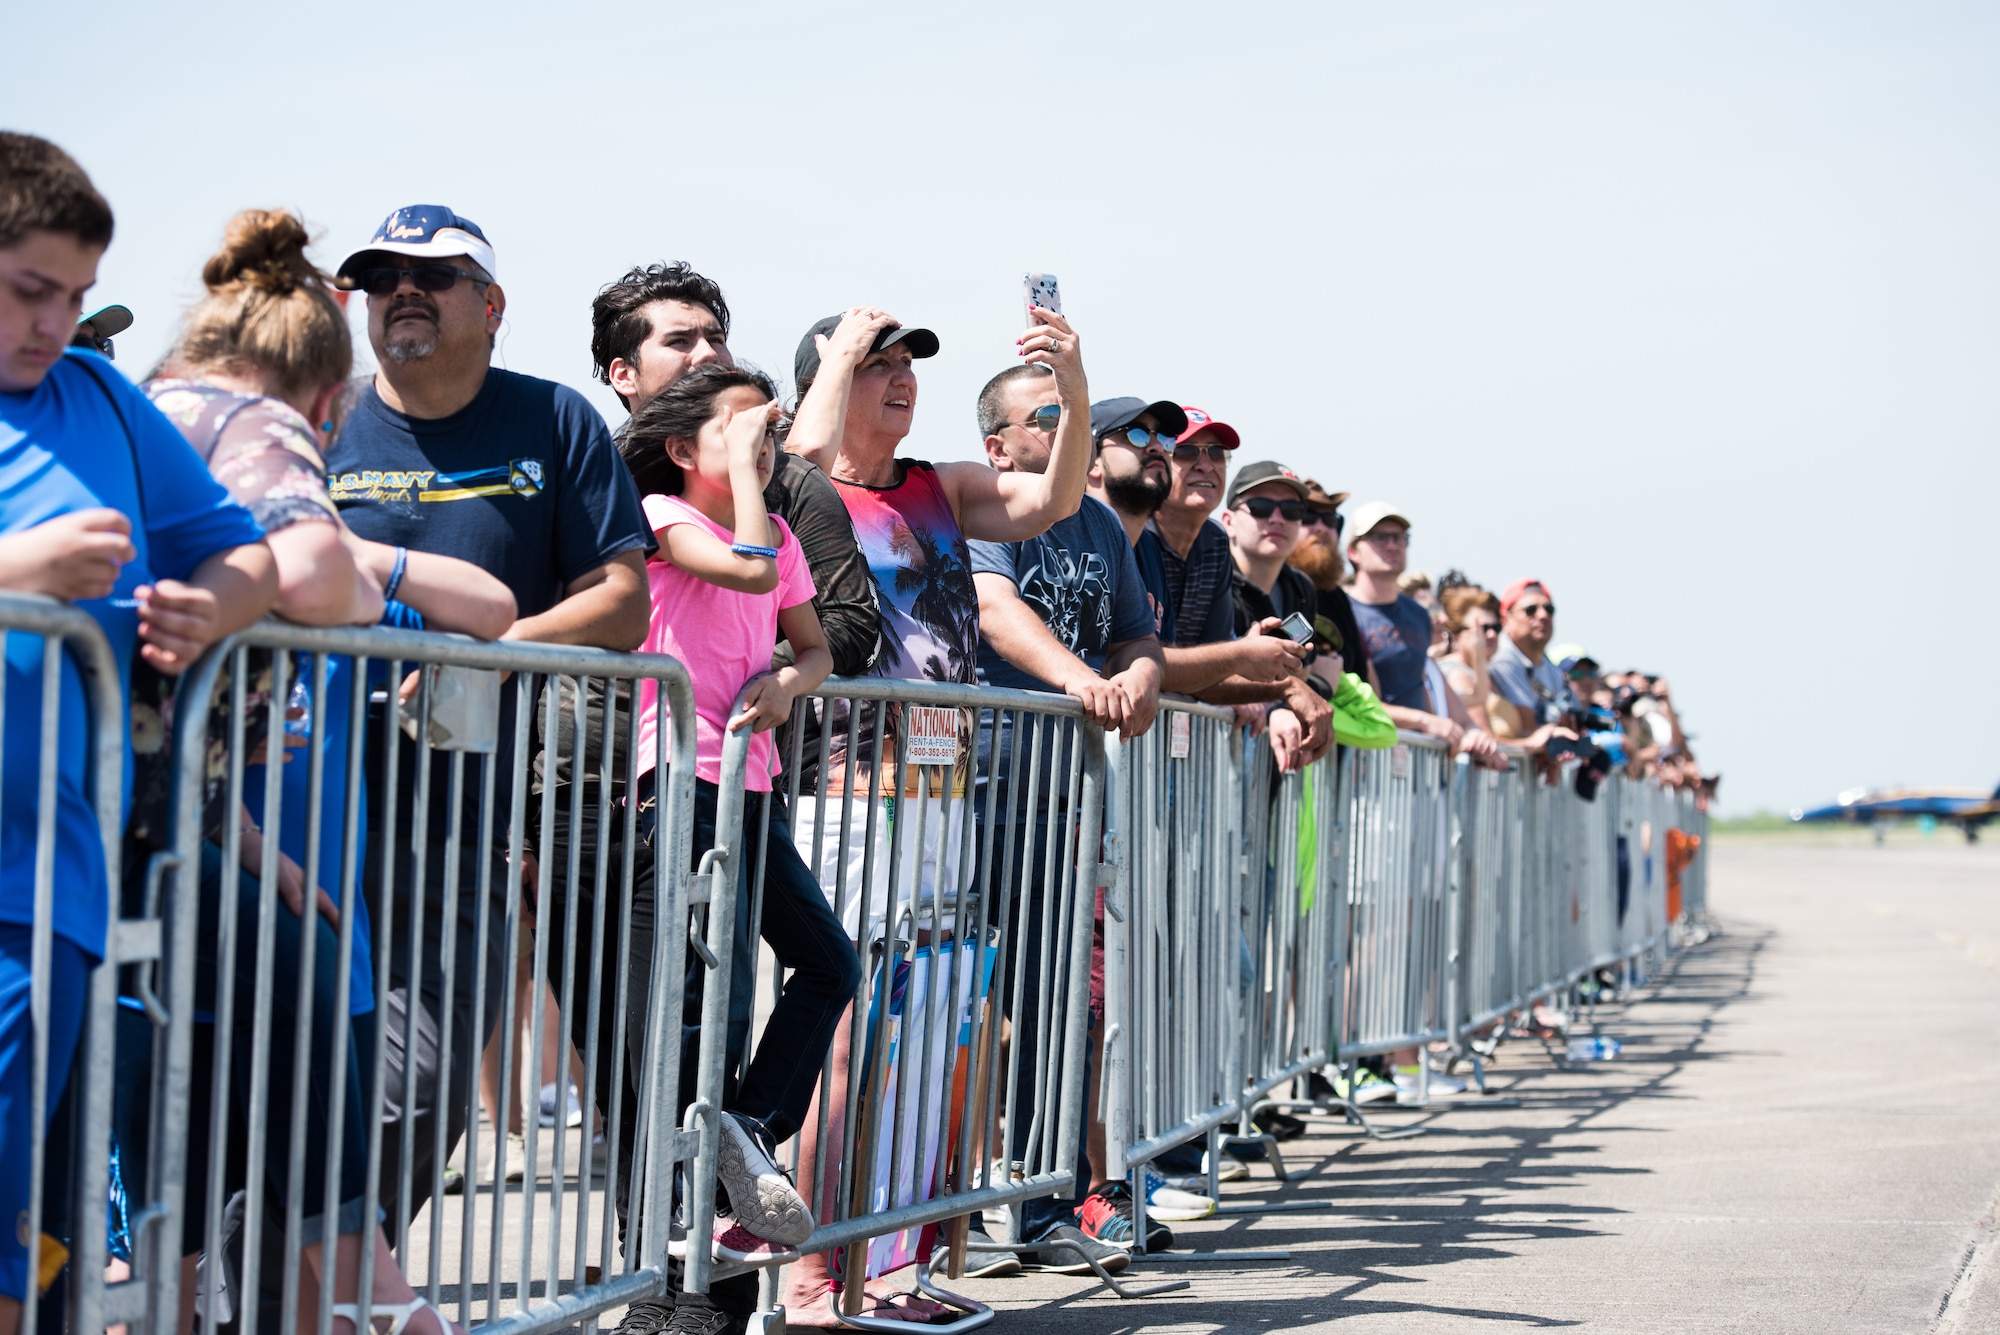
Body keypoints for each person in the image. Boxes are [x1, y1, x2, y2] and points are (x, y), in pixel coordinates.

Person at [136, 206, 514, 1335]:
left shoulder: (305, 534)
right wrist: (287, 561)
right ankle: (376, 1307)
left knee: (308, 1185)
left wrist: (354, 551)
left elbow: (488, 608)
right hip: (188, 894)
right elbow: (298, 574)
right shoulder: (228, 474)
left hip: (287, 891)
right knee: (181, 1189)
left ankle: (364, 1307)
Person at [780, 303, 1128, 1308]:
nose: (898, 378)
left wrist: (1069, 383)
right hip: (844, 796)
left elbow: (1050, 502)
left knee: (930, 1027)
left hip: (940, 791)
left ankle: (893, 1262)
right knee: (848, 1036)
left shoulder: (936, 485)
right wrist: (836, 355)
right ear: (830, 379)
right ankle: (812, 1275)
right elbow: (780, 486)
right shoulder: (801, 484)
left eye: (906, 365)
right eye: (873, 365)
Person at [325, 205, 654, 1227]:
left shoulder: (552, 420)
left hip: (459, 820)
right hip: (303, 805)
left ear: (492, 304)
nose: (402, 293)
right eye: (382, 280)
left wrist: (491, 652)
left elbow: (622, 599)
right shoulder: (317, 419)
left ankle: (348, 1280)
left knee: (421, 1088)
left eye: (433, 274)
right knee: (280, 1084)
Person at [0, 133, 277, 1335]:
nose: (53, 322)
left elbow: (247, 550)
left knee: (24, 1235)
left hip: (42, 885)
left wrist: (214, 603)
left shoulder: (103, 396)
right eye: (27, 291)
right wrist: (18, 571)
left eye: (72, 295)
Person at [618, 364, 861, 1335]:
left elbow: (814, 646)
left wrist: (788, 687)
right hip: (675, 782)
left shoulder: (781, 534)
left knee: (829, 962)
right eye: (738, 429)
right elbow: (746, 570)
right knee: (687, 1009)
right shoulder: (661, 509)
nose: (761, 442)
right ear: (685, 447)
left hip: (748, 786)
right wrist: (758, 470)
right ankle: (670, 1245)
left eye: (767, 429)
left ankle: (747, 1132)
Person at [969, 371, 1170, 1252]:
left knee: (1059, 1004)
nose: (1067, 429)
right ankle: (941, 1203)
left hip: (1062, 793)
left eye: (1074, 415)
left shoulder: (1095, 524)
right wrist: (1081, 679)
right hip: (974, 784)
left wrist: (1139, 675)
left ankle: (1045, 1205)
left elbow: (1134, 631)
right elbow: (994, 612)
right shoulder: (982, 513)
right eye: (1046, 417)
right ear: (999, 447)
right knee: (948, 1000)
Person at [1343, 502, 1500, 765]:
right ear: (1353, 551)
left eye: (1400, 537)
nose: (1393, 545)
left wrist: (1471, 730)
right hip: (1363, 764)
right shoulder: (1343, 612)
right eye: (1379, 537)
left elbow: (1424, 679)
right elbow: (1352, 700)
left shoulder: (1416, 614)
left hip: (1413, 765)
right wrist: (1426, 722)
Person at [1218, 462, 1335, 772]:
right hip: (1207, 756)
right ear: (1228, 521)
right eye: (1260, 507)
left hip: (1268, 764)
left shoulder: (1301, 588)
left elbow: (1300, 674)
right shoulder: (1212, 577)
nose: (1277, 519)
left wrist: (1284, 705)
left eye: (1293, 510)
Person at [1283, 477, 1372, 690]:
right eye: (1308, 516)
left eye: (1330, 519)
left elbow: (1363, 677)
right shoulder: (1276, 586)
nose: (1321, 527)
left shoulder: (1336, 596)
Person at [1488, 578, 1573, 730]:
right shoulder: (1503, 659)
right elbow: (1528, 727)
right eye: (1531, 610)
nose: (1542, 615)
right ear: (1505, 619)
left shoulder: (1551, 667)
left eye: (1549, 609)